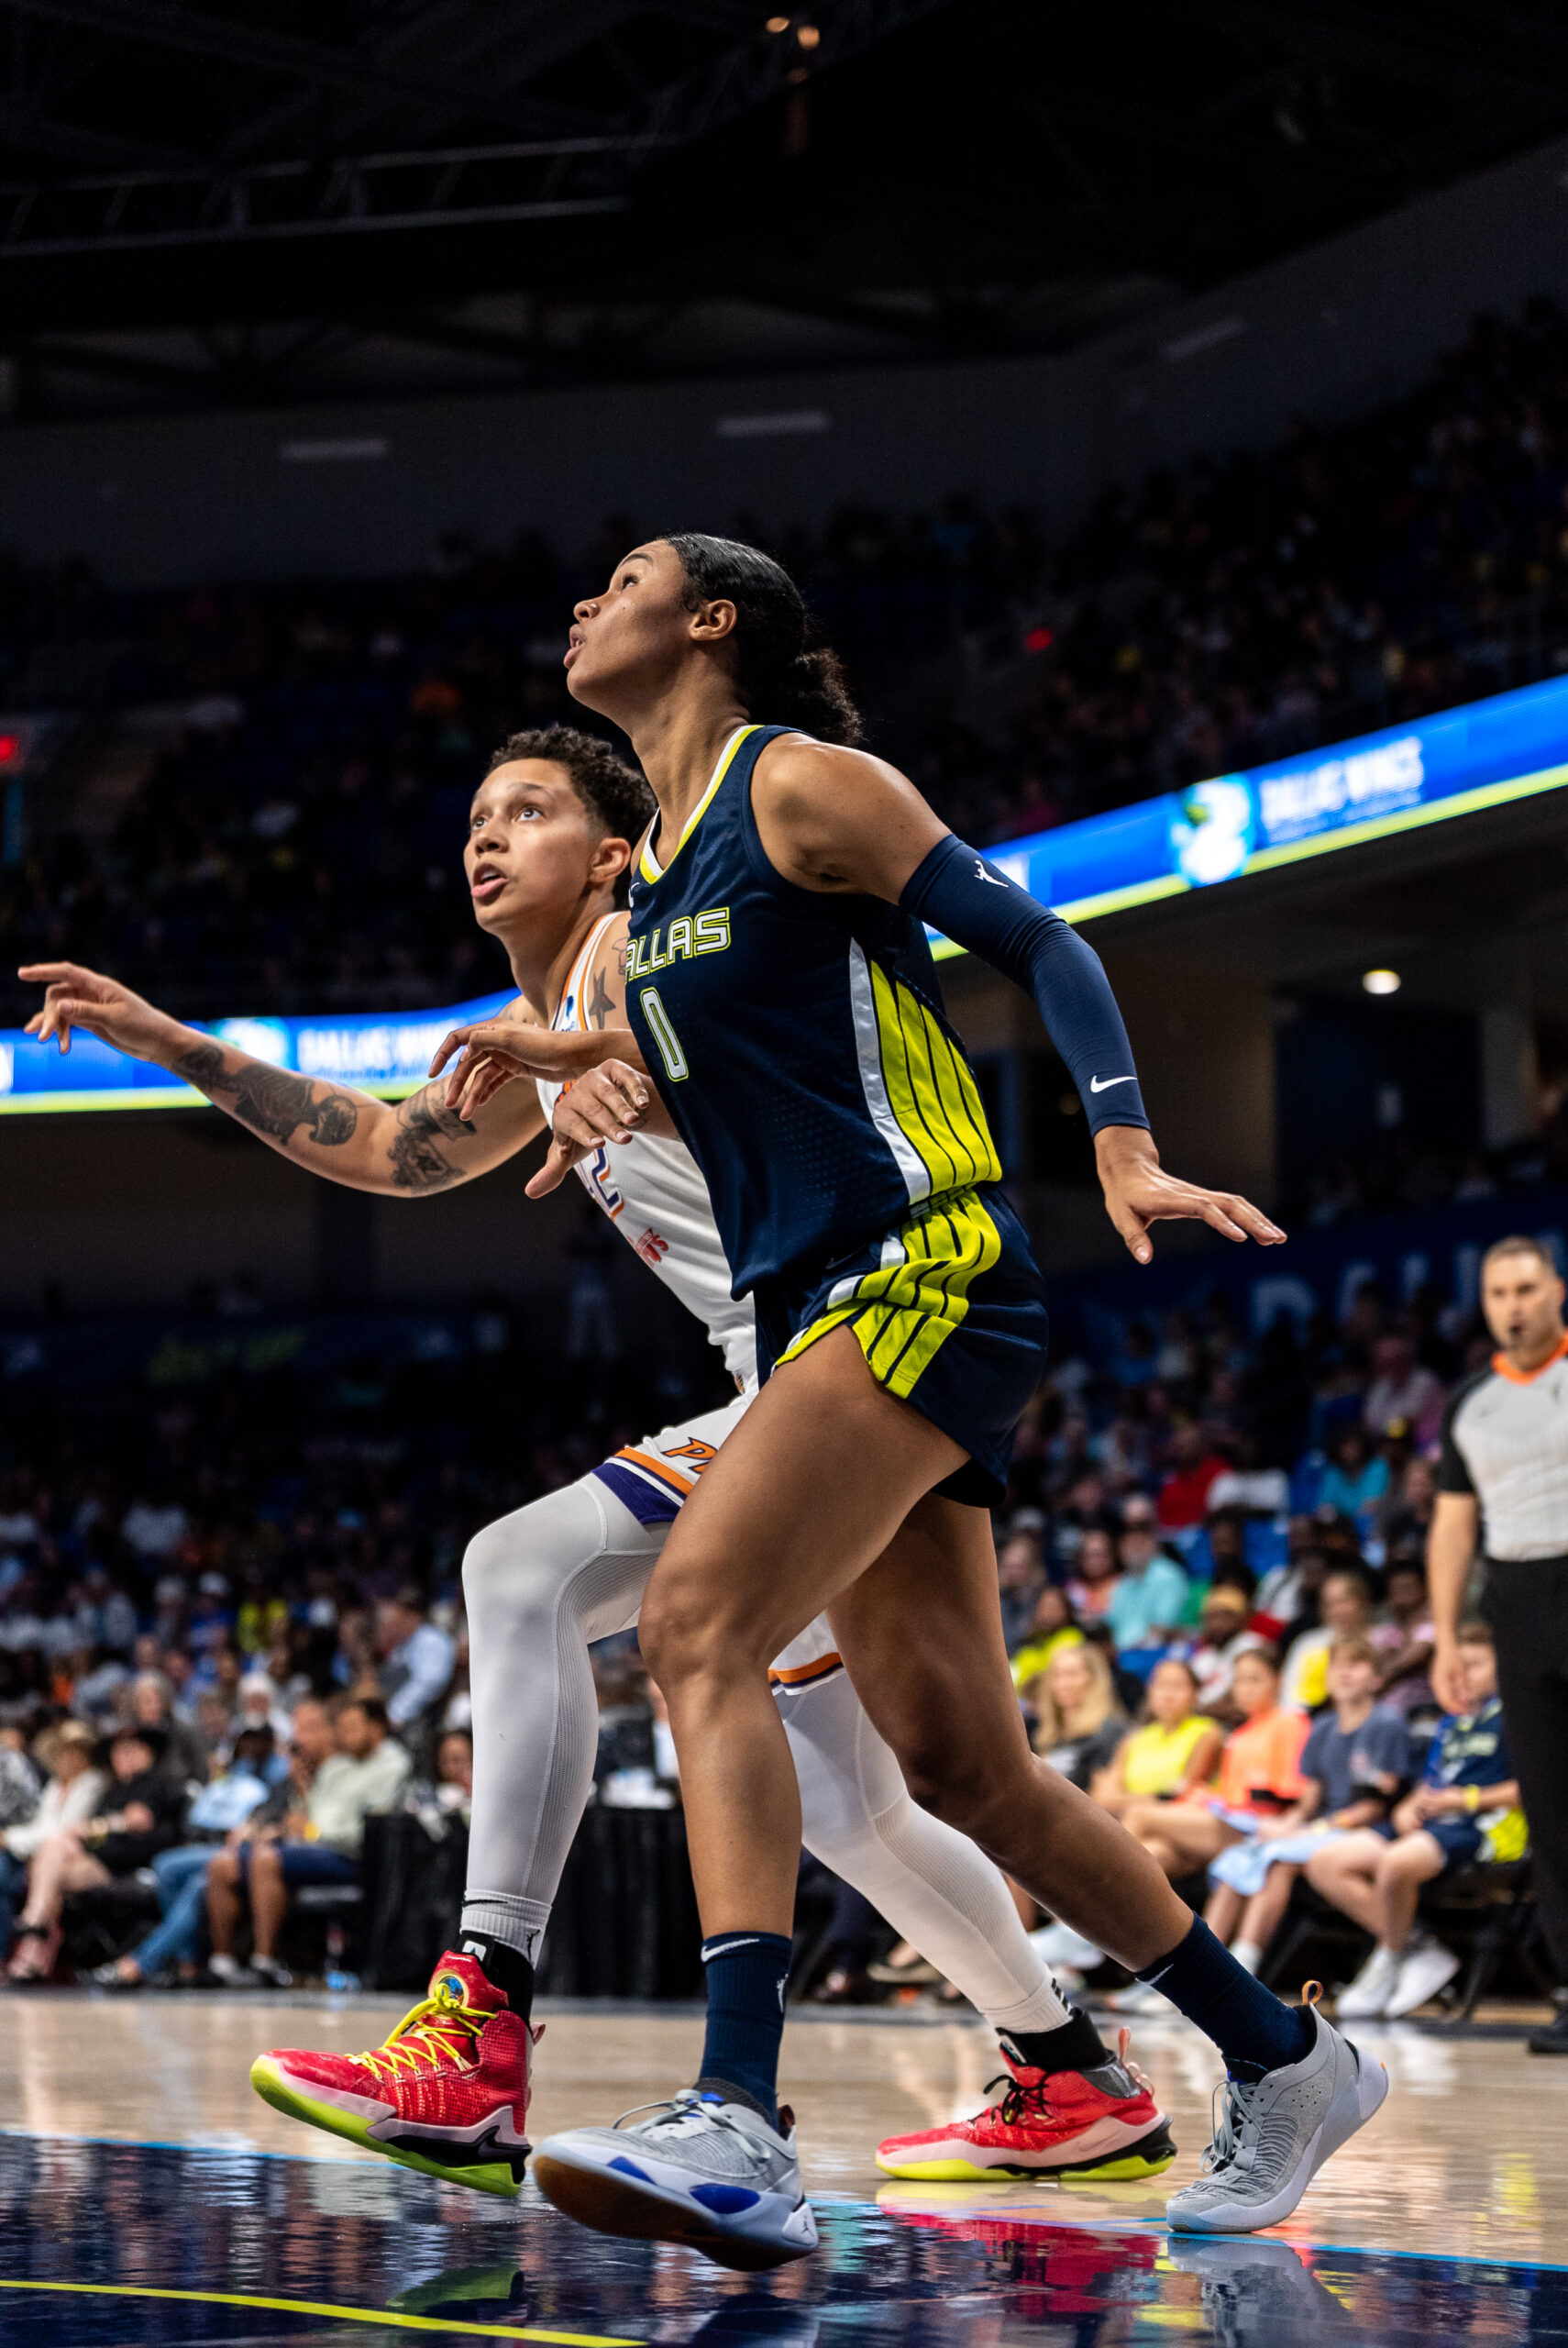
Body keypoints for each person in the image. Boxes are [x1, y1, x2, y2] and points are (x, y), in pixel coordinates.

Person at [24, 728, 1173, 2196]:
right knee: (846, 1803)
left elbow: (730, 1043)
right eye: (475, 816)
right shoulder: (542, 1015)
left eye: (529, 809)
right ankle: (1066, 2069)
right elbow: (387, 1150)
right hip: (814, 1386)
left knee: (517, 1568)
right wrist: (171, 1042)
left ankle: (476, 2021)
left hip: (838, 1361)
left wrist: (613, 1059)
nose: (485, 838)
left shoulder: (638, 951)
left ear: (616, 854)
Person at [455, 532, 1383, 2256]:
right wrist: (583, 1065)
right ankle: (1284, 2056)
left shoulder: (800, 784)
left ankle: (737, 2115)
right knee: (965, 1759)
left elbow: (1045, 945)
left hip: (926, 1260)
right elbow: (731, 1056)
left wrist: (1122, 1141)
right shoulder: (650, 885)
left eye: (627, 576)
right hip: (821, 1303)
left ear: (711, 622)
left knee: (698, 1629)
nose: (585, 600)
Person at [1424, 1236, 1568, 2054]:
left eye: (1525, 1288)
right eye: (1498, 1294)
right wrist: (1446, 1635)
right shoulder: (1471, 1403)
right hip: (1515, 1598)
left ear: (1556, 1290)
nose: (1513, 1306)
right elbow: (1452, 1526)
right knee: (1550, 1803)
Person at [1311, 1621, 1522, 2021]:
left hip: (1488, 1824)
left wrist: (1466, 1799)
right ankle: (1416, 1949)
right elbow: (1432, 1782)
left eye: (1474, 1664)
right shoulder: (1450, 1722)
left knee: (1395, 1863)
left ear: (1502, 1666)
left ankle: (1389, 1955)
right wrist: (1409, 1804)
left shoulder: (1514, 1717)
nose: (1462, 1676)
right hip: (1435, 1820)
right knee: (1326, 1862)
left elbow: (1534, 1791)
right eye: (1456, 1666)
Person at [1205, 1638, 1408, 1977]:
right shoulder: (1323, 1727)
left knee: (1280, 1857)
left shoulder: (1385, 1724)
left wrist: (1314, 1829)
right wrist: (1288, 1824)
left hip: (1370, 1831)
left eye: (1356, 1665)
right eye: (1337, 1666)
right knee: (1244, 1859)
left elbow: (1374, 1806)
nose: (1344, 1674)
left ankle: (1244, 1963)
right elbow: (1309, 1800)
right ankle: (1206, 1965)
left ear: (1377, 1678)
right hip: (1321, 1830)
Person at [206, 1696, 408, 1988]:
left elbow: (369, 1829)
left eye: (353, 1727)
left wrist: (309, 1831)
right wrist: (297, 1807)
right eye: (343, 1727)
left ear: (376, 1728)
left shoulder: (393, 1765)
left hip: (349, 1855)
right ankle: (222, 1964)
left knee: (265, 1859)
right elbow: (310, 1811)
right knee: (223, 1864)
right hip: (309, 1848)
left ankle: (265, 1963)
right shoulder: (337, 1767)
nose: (345, 1735)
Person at [89, 1722, 284, 1990]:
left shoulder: (274, 1778)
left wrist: (255, 1828)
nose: (249, 1752)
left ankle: (143, 1964)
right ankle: (188, 1960)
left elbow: (276, 1816)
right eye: (243, 1744)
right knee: (175, 1871)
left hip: (253, 1851)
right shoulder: (222, 1785)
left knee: (187, 1875)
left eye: (257, 1744)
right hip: (217, 1847)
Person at [1120, 1649, 1308, 1901]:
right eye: (1240, 1680)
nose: (1246, 1689)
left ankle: (1080, 1916)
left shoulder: (1289, 1722)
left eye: (1255, 1679)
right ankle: (1101, 1931)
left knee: (1138, 1816)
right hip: (1232, 1817)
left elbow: (1286, 1794)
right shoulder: (1241, 1734)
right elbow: (1229, 1793)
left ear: (1278, 1681)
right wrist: (1208, 1797)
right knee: (1156, 1851)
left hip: (1256, 1825)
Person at [7, 1723, 184, 1982]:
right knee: (53, 1868)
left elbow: (138, 1820)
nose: (124, 1756)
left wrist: (94, 1828)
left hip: (127, 1867)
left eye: (132, 1750)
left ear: (148, 1753)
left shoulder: (154, 1782)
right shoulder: (114, 1791)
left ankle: (32, 1931)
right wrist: (92, 1831)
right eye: (119, 1751)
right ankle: (33, 1958)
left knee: (54, 1853)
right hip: (97, 1860)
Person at [0, 1721, 103, 1958]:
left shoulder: (91, 1783)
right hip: (39, 1855)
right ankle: (28, 1958)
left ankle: (27, 1927)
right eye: (63, 1753)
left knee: (12, 1874)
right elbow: (40, 1826)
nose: (67, 1759)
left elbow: (61, 1830)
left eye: (74, 1752)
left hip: (74, 1857)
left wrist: (9, 1838)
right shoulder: (55, 1786)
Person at [1092, 1658, 1223, 1821]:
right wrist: (1156, 1797)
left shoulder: (1207, 1733)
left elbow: (1180, 1795)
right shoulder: (1132, 1740)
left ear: (1195, 1693)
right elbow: (1103, 1798)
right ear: (1150, 1691)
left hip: (1177, 1819)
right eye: (1162, 1686)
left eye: (1178, 1686)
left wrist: (1125, 1800)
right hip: (1129, 1819)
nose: (1168, 1695)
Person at [1028, 1644, 1125, 1791]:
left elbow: (1099, 1793)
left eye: (1072, 1675)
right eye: (1057, 1675)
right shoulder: (1046, 1735)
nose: (1063, 1684)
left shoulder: (1109, 1731)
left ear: (1094, 1679)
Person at [1279, 1567, 1376, 1712]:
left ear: (1362, 1601)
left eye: (1344, 1601)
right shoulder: (1308, 1643)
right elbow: (1290, 1696)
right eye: (1330, 1604)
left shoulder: (1380, 1639)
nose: (1338, 1611)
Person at [1105, 1501, 1190, 1660]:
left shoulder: (1168, 1575)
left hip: (1157, 1651)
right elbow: (1112, 1624)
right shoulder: (1122, 1583)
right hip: (1124, 1652)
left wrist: (1126, 1649)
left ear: (1153, 1545)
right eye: (1129, 1544)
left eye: (1140, 1543)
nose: (1133, 1548)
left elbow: (1163, 1627)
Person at [1008, 1584, 1082, 1692]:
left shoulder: (1072, 1637)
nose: (1048, 1613)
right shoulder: (1031, 1639)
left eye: (1053, 1607)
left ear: (1067, 1611)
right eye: (1043, 1607)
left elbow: (1052, 1672)